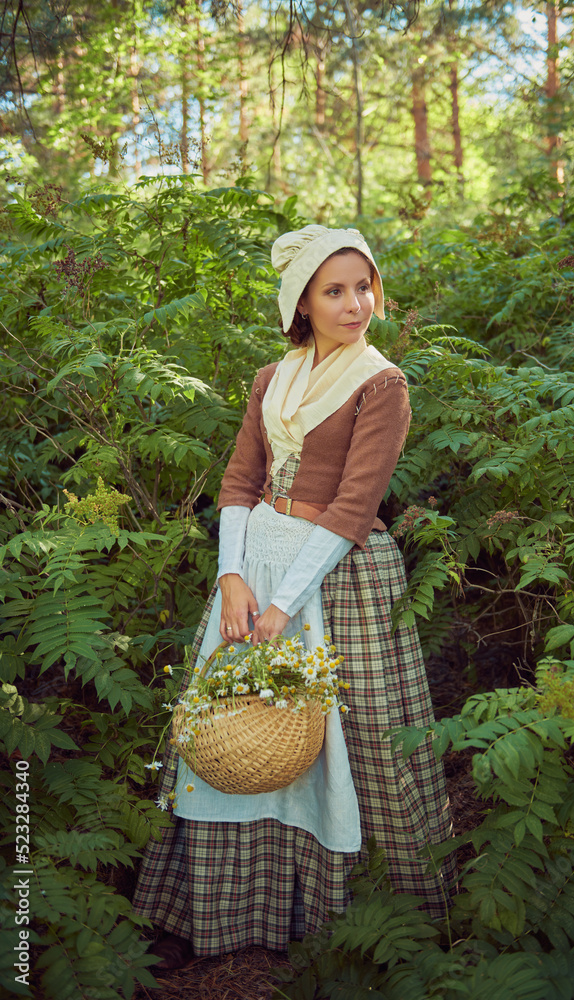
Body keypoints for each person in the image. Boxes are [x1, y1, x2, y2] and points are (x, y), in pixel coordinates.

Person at [132, 225, 456, 969]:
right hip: (258, 566)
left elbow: (351, 506)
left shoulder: (382, 382)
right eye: (334, 291)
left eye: (363, 287)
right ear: (302, 303)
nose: (355, 303)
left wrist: (283, 605)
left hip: (338, 577)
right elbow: (240, 482)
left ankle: (363, 929)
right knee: (239, 728)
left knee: (347, 740)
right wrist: (234, 579)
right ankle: (231, 912)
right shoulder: (270, 378)